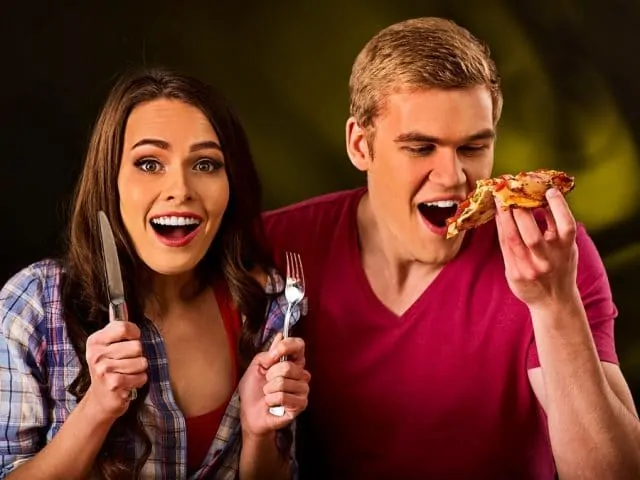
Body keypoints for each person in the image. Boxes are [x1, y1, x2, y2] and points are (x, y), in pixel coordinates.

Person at [263, 17, 640, 479]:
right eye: (421, 148)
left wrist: (555, 303)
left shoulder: (551, 254)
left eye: (472, 148)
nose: (454, 177)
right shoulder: (279, 246)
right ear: (361, 145)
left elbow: (612, 472)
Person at [0, 68, 310, 479]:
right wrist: (96, 408)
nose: (180, 188)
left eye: (205, 163)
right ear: (109, 180)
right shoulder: (34, 304)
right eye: (149, 163)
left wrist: (258, 434)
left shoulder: (269, 307)